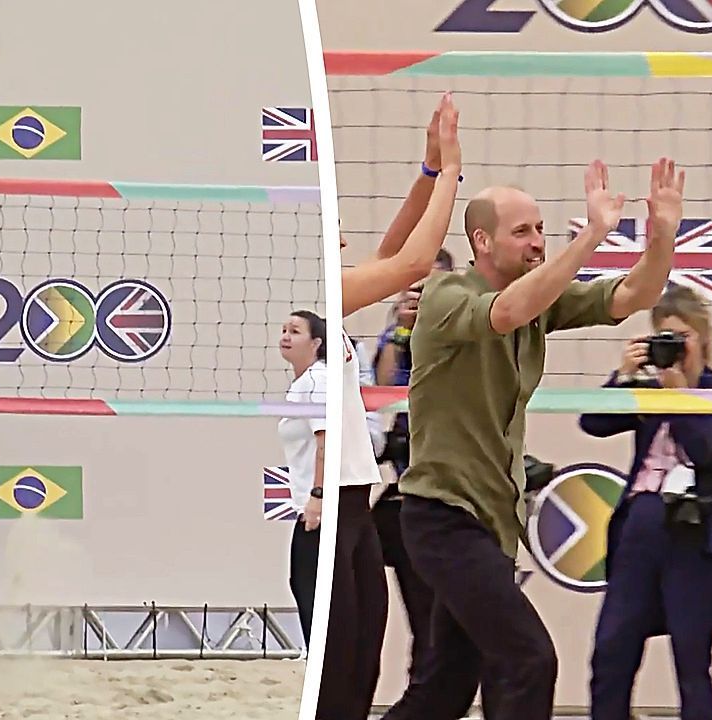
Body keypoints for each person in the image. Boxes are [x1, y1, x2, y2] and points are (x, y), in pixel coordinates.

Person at [382, 156, 685, 720]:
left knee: (446, 685)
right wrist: (593, 234)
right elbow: (506, 311)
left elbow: (634, 295)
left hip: (491, 523)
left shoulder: (538, 300)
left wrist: (662, 235)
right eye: (523, 231)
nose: (538, 242)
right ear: (482, 241)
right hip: (441, 517)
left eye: (543, 229)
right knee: (529, 659)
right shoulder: (447, 297)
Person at [314, 92, 461, 720]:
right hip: (334, 508)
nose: (341, 234)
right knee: (340, 667)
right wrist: (453, 170)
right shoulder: (320, 293)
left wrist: (427, 173)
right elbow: (416, 262)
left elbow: (396, 257)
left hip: (357, 504)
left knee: (361, 662)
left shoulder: (336, 296)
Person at [578, 286, 712, 720]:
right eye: (663, 337)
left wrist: (678, 399)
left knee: (691, 661)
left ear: (703, 337)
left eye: (682, 337)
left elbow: (710, 454)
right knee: (611, 652)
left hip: (694, 533)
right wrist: (624, 378)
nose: (674, 348)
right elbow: (591, 422)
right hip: (639, 526)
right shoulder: (646, 389)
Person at [369, 249, 454, 690]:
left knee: (450, 630)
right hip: (409, 497)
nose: (421, 296)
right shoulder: (396, 337)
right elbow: (382, 387)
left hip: (457, 497)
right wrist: (403, 328)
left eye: (431, 286)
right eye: (415, 287)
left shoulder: (467, 332)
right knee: (423, 622)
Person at [277, 310, 328, 646]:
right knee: (306, 582)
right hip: (312, 502)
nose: (285, 336)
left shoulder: (316, 381)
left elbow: (326, 442)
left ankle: (318, 659)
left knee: (310, 583)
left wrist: (317, 496)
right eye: (283, 329)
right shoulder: (304, 382)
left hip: (321, 504)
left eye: (294, 331)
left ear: (316, 343)